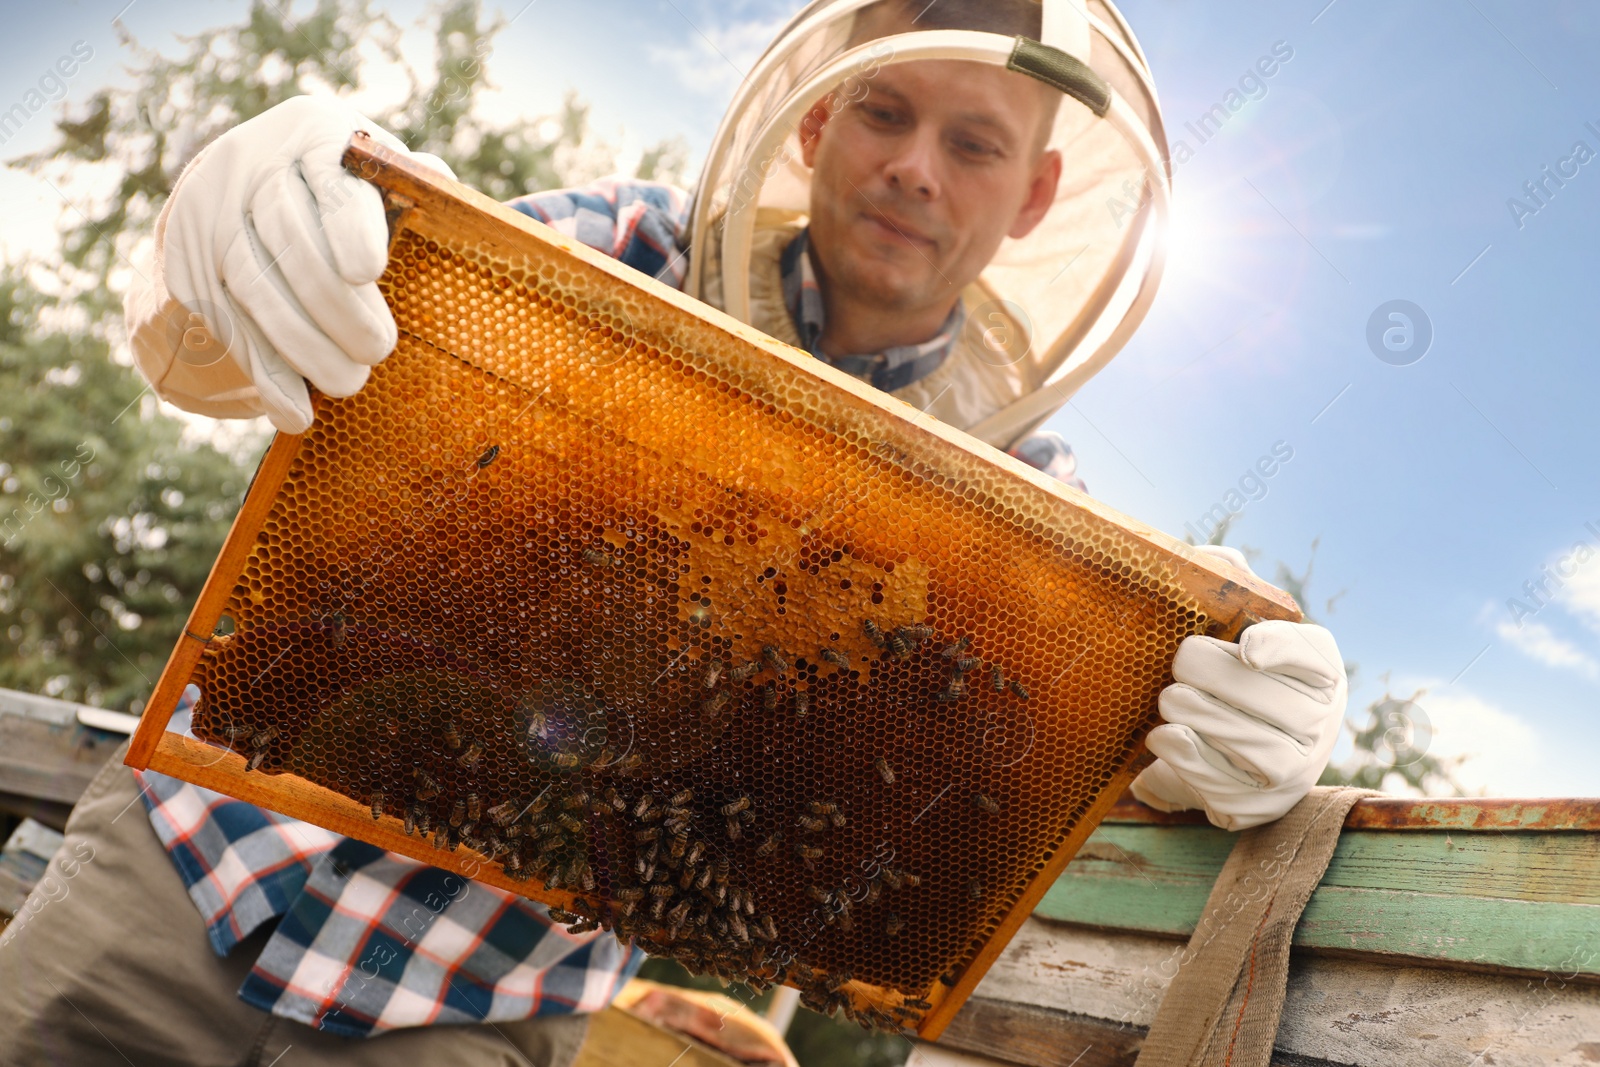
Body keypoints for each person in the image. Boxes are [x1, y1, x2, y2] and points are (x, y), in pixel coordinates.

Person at [0, 1, 1348, 1064]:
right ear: (815, 126)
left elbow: (1104, 702)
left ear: (1035, 198)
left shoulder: (1028, 497)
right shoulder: (626, 245)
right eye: (883, 111)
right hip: (191, 868)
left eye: (975, 143)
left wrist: (1228, 703)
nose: (914, 169)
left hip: (475, 1017)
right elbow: (269, 339)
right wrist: (244, 227)